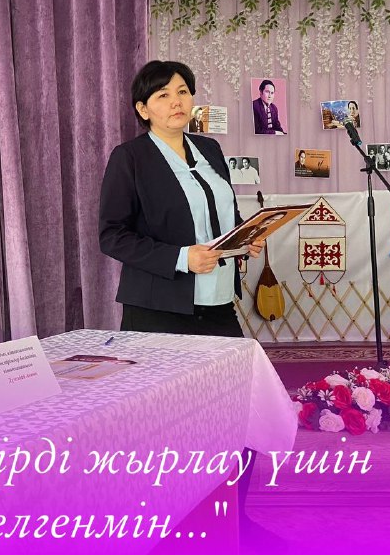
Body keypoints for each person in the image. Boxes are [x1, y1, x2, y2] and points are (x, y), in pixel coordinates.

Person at [99, 60, 281, 550]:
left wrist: (245, 240)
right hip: (158, 312)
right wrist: (180, 258)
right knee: (168, 429)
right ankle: (174, 528)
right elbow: (112, 236)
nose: (176, 101)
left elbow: (223, 216)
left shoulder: (210, 149)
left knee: (236, 418)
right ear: (143, 109)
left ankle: (235, 520)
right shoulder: (130, 158)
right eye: (162, 95)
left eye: (182, 91)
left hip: (217, 306)